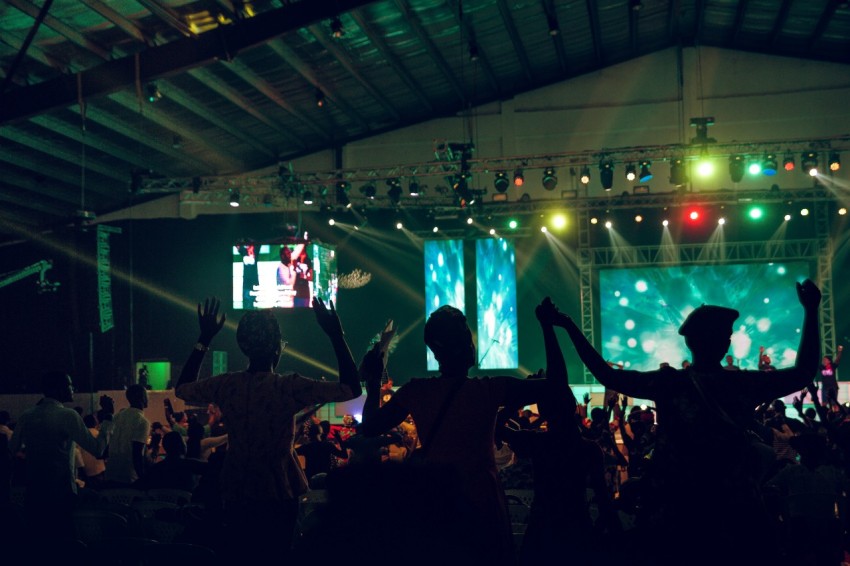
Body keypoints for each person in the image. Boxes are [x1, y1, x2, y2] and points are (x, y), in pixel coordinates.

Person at [554, 279, 822, 566]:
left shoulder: (668, 382)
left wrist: (569, 326)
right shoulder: (742, 384)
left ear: (690, 342)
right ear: (724, 343)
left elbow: (606, 375)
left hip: (674, 513)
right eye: (726, 335)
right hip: (734, 513)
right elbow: (804, 372)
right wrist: (811, 310)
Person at [175, 297, 361, 561]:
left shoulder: (228, 385)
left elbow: (182, 389)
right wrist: (336, 335)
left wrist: (204, 338)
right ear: (277, 348)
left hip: (236, 489)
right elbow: (351, 388)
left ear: (244, 347)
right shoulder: (288, 387)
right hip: (279, 490)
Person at [360, 305, 547, 566]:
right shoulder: (490, 390)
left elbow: (369, 426)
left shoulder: (417, 391)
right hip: (483, 506)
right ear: (464, 347)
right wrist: (549, 326)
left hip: (437, 504)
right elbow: (555, 387)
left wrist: (372, 383)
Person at [9, 372, 114, 539]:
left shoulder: (27, 416)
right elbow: (98, 449)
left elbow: (11, 450)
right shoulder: (68, 415)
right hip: (60, 495)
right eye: (69, 385)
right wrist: (108, 418)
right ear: (58, 389)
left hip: (34, 494)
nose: (73, 388)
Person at [104, 384, 150, 485]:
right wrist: (143, 480)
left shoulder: (117, 416)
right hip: (129, 477)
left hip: (110, 474)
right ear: (142, 397)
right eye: (147, 395)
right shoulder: (142, 421)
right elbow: (137, 453)